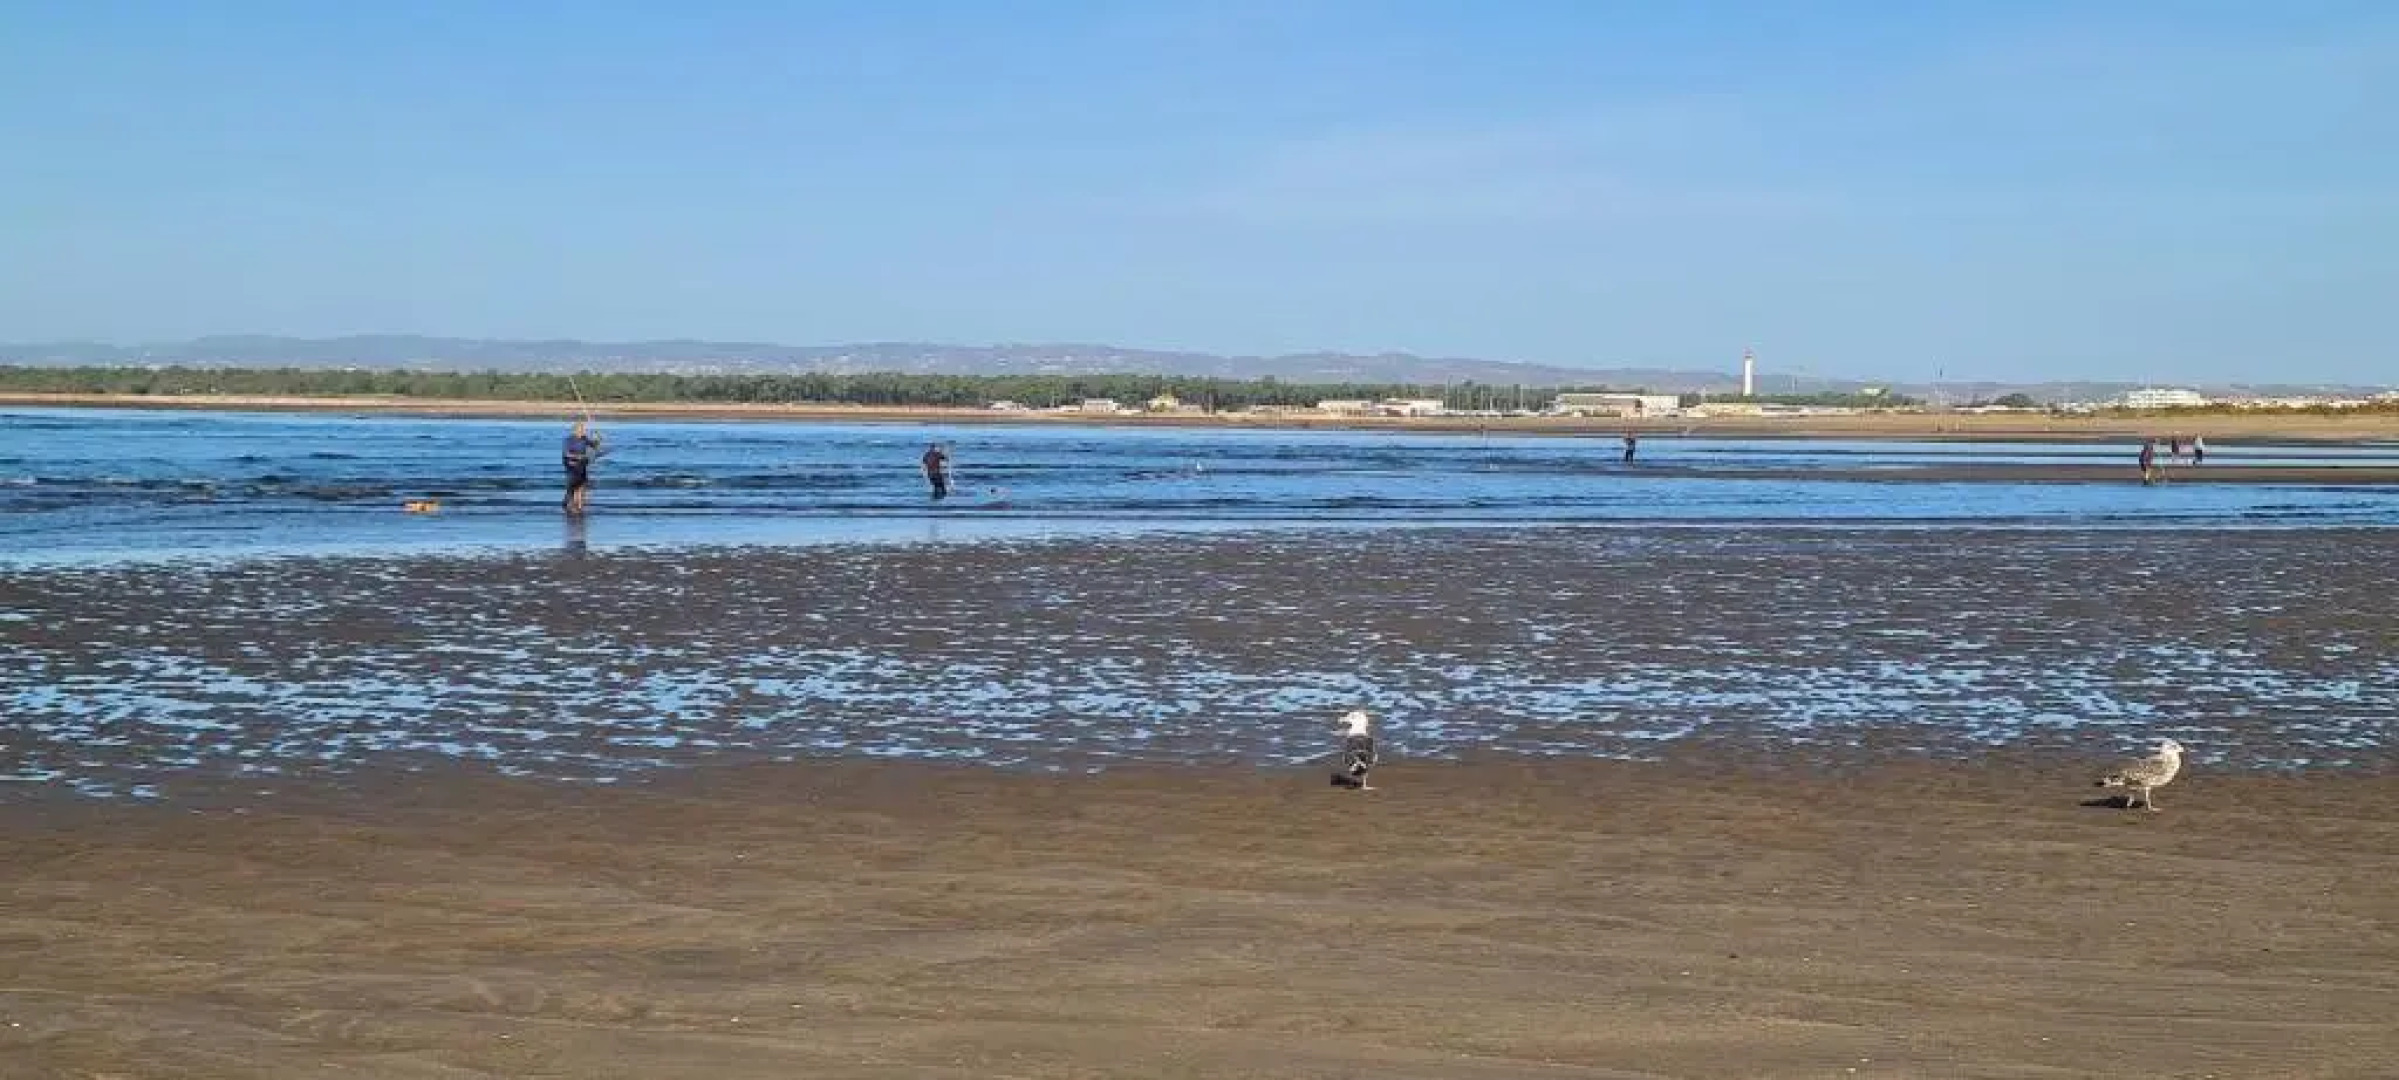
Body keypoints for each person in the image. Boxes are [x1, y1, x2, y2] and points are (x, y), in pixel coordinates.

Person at [562, 419, 603, 515]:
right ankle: (572, 505)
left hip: (582, 465)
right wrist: (577, 457)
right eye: (581, 429)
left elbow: (595, 446)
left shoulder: (584, 438)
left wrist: (598, 437)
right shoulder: (569, 440)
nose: (583, 431)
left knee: (582, 486)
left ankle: (580, 507)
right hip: (572, 466)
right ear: (575, 430)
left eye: (583, 429)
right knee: (575, 486)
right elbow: (566, 454)